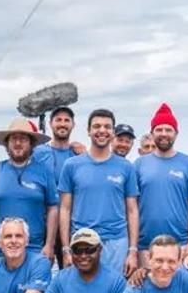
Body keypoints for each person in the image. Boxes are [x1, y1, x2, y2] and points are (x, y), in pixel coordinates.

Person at [59, 109, 141, 278]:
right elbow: (65, 209)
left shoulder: (126, 167)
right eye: (96, 126)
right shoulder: (71, 165)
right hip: (81, 241)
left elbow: (132, 210)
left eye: (107, 127)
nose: (102, 130)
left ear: (112, 132)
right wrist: (66, 249)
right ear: (88, 131)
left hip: (116, 243)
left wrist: (132, 250)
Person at [135, 103, 188, 258]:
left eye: (168, 130)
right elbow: (132, 206)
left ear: (176, 133)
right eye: (159, 129)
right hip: (145, 246)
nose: (164, 133)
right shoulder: (140, 164)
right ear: (152, 133)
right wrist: (133, 246)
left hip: (181, 244)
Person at [0, 118, 59, 259]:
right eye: (13, 139)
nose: (18, 143)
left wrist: (49, 245)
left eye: (23, 139)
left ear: (31, 144)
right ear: (6, 144)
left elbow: (53, 209)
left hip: (34, 251)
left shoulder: (44, 172)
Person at [34, 106, 80, 179]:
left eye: (67, 120)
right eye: (58, 120)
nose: (62, 124)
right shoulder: (38, 153)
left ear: (73, 125)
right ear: (50, 124)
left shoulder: (78, 154)